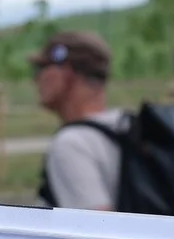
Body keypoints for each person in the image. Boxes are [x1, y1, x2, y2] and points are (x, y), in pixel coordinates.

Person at [32, 31, 123, 211]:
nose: (36, 79)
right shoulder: (122, 125)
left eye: (41, 68)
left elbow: (96, 225)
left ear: (65, 72)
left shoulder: (71, 144)